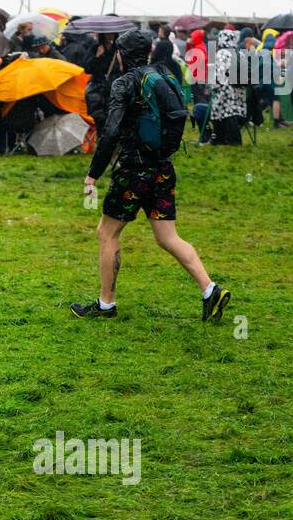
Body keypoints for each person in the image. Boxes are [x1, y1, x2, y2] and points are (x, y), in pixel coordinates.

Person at [72, 29, 230, 322]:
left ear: (122, 54)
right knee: (168, 237)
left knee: (107, 233)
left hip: (133, 170)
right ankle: (210, 289)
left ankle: (106, 304)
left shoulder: (125, 82)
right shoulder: (164, 75)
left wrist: (93, 174)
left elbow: (111, 131)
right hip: (163, 168)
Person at [207, 29, 247, 145]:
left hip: (225, 90)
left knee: (223, 112)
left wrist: (211, 86)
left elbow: (217, 75)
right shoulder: (240, 53)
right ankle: (227, 139)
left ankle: (224, 138)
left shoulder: (221, 54)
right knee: (231, 113)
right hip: (240, 90)